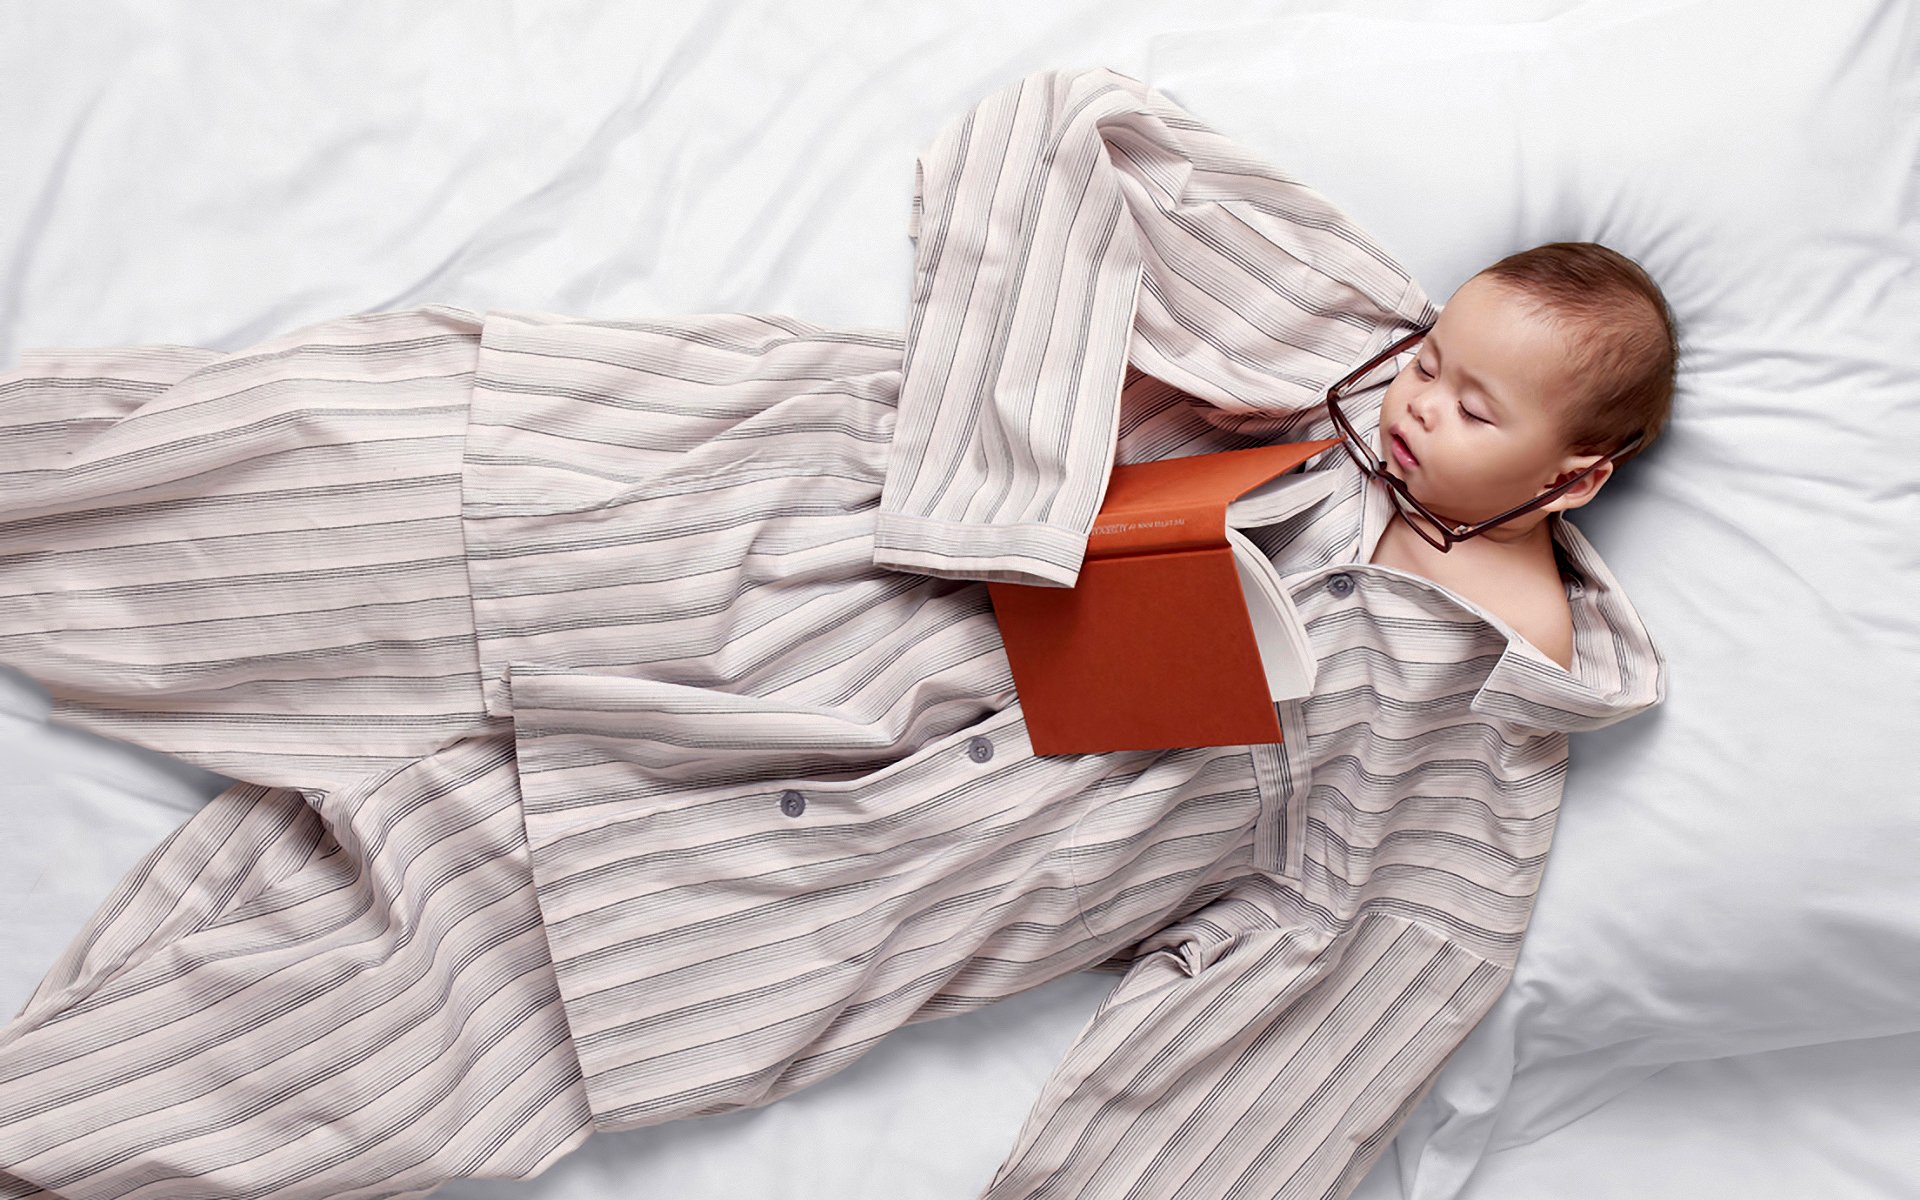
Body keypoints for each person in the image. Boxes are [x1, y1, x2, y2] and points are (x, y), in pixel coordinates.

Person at [0, 68, 1669, 1200]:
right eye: (1435, 355)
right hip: (721, 547)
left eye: (1470, 403)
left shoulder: (1479, 746)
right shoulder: (1341, 355)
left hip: (770, 879)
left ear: (1575, 471)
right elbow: (1072, 132)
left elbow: (1318, 1031)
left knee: (248, 1071)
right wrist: (996, 504)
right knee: (239, 492)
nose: (1420, 398)